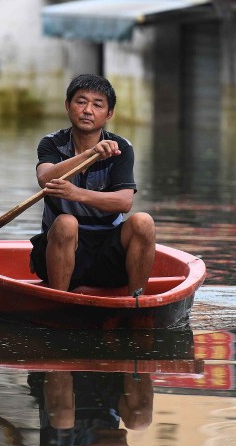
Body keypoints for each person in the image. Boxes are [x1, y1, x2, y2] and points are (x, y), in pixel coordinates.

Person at [30, 74, 155, 295]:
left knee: (144, 222)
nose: (88, 110)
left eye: (97, 105)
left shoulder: (121, 148)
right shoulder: (52, 143)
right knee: (67, 223)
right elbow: (45, 179)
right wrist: (91, 154)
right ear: (68, 106)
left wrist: (76, 193)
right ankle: (58, 305)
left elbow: (124, 202)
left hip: (107, 253)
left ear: (109, 114)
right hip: (60, 248)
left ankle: (137, 303)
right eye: (81, 102)